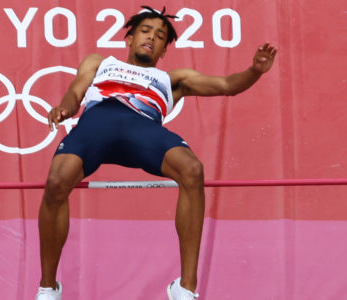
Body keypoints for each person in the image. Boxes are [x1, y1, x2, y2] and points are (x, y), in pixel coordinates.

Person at [35, 6, 277, 300]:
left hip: (142, 131)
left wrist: (254, 71)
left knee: (192, 170)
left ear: (164, 50)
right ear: (130, 38)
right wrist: (65, 108)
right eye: (146, 31)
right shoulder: (100, 62)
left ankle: (185, 288)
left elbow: (227, 86)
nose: (151, 38)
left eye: (160, 36)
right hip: (94, 127)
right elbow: (75, 92)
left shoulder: (174, 79)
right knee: (57, 181)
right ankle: (48, 288)